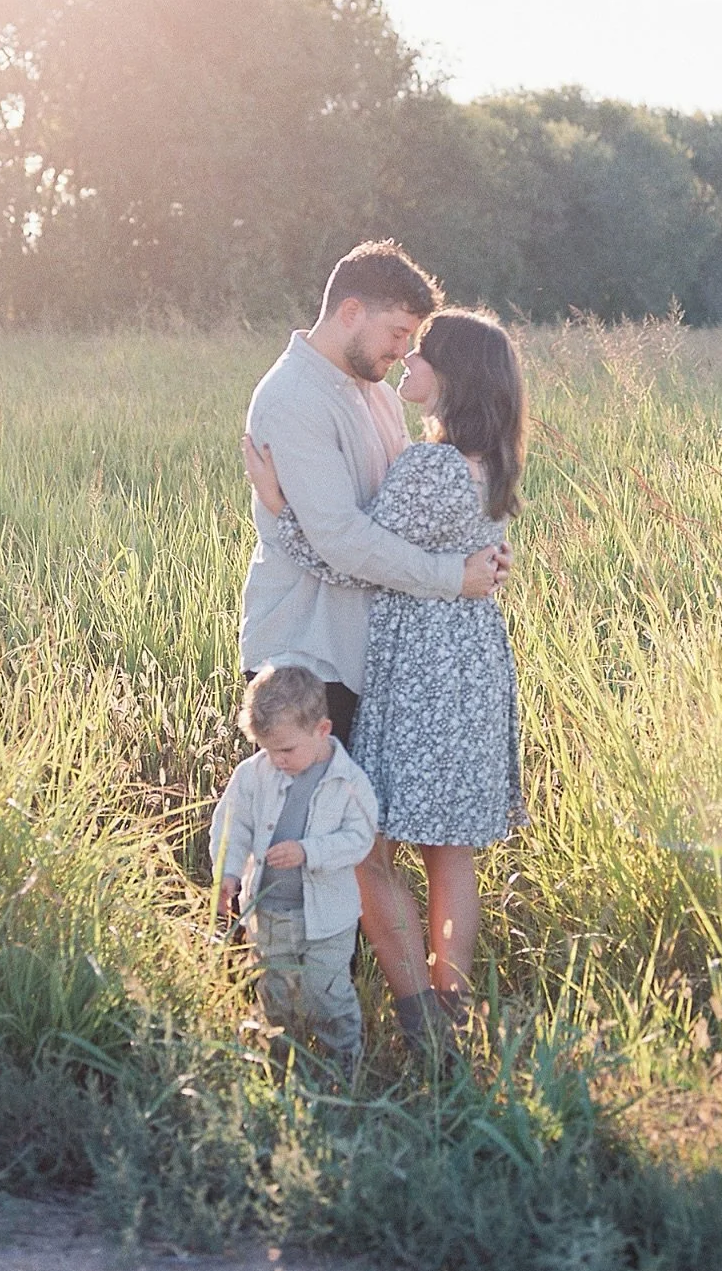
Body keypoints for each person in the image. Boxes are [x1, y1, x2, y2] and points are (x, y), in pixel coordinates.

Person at [245, 307, 527, 1050]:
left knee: (367, 844)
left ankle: (421, 1017)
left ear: (453, 375)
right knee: (450, 849)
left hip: (423, 670)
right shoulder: (491, 460)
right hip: (471, 662)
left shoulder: (430, 465)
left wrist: (281, 514)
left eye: (422, 354)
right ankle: (452, 1012)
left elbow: (353, 555)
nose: (409, 362)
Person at [240, 241, 510, 752]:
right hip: (309, 653)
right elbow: (342, 539)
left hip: (367, 652)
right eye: (396, 333)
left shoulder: (380, 392)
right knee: (314, 824)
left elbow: (408, 515)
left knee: (367, 820)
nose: (404, 351)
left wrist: (477, 549)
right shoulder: (293, 398)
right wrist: (454, 576)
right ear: (350, 312)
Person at [210, 663, 379, 1079]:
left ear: (322, 730)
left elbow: (360, 837)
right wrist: (228, 873)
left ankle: (344, 1067)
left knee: (327, 992)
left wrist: (309, 852)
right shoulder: (254, 775)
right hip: (269, 912)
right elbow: (232, 825)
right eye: (269, 750)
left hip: (327, 918)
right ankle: (278, 1066)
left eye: (286, 750)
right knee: (275, 990)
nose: (278, 760)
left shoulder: (348, 781)